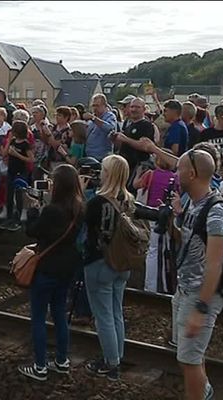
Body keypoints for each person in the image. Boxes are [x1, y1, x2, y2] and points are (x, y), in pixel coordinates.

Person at [170, 149, 223, 400]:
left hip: (200, 295)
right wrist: (175, 219)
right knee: (189, 357)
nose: (176, 173)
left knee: (189, 360)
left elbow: (215, 264)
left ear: (192, 174)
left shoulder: (217, 210)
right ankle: (204, 393)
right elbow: (189, 244)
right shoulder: (192, 204)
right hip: (185, 288)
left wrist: (201, 308)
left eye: (179, 169)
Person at [17, 164, 85, 381]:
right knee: (59, 315)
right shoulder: (80, 208)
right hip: (67, 270)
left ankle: (39, 366)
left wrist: (32, 210)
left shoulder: (51, 210)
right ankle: (62, 361)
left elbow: (32, 231)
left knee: (38, 317)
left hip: (46, 269)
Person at [84, 154, 133, 381]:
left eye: (103, 169)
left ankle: (110, 363)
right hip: (123, 263)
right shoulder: (129, 200)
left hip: (99, 262)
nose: (99, 173)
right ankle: (117, 356)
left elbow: (81, 226)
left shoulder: (97, 202)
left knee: (102, 316)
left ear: (109, 174)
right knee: (116, 312)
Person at [133, 150, 178, 293]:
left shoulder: (150, 174)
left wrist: (138, 173)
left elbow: (136, 185)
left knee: (151, 251)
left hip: (149, 213)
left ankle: (150, 285)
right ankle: (163, 285)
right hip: (166, 215)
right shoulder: (175, 177)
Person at [1, 121, 34, 232]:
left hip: (21, 172)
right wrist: (9, 141)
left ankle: (18, 219)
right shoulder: (13, 142)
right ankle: (9, 217)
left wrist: (17, 155)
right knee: (9, 195)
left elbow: (31, 159)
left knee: (19, 195)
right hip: (11, 171)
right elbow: (4, 153)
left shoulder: (25, 144)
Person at [114, 97, 155, 174]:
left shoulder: (146, 125)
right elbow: (124, 145)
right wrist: (115, 139)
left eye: (137, 107)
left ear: (143, 109)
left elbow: (146, 147)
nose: (133, 109)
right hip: (126, 166)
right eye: (132, 107)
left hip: (138, 167)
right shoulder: (129, 125)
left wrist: (125, 139)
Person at [84, 94, 117, 161]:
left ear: (104, 106)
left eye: (97, 106)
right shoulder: (93, 119)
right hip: (90, 155)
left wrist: (94, 118)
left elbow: (110, 128)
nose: (95, 108)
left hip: (102, 156)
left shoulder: (110, 116)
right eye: (93, 105)